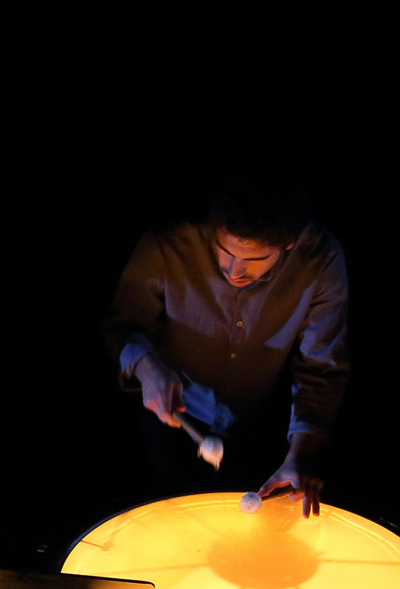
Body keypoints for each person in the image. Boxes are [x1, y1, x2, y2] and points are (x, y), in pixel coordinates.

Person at [104, 169, 348, 516]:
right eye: (225, 251)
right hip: (168, 417)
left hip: (264, 423)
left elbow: (322, 368)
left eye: (255, 260)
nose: (234, 271)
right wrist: (145, 366)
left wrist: (300, 455)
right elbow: (121, 324)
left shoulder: (321, 259)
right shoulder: (169, 242)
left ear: (288, 244)